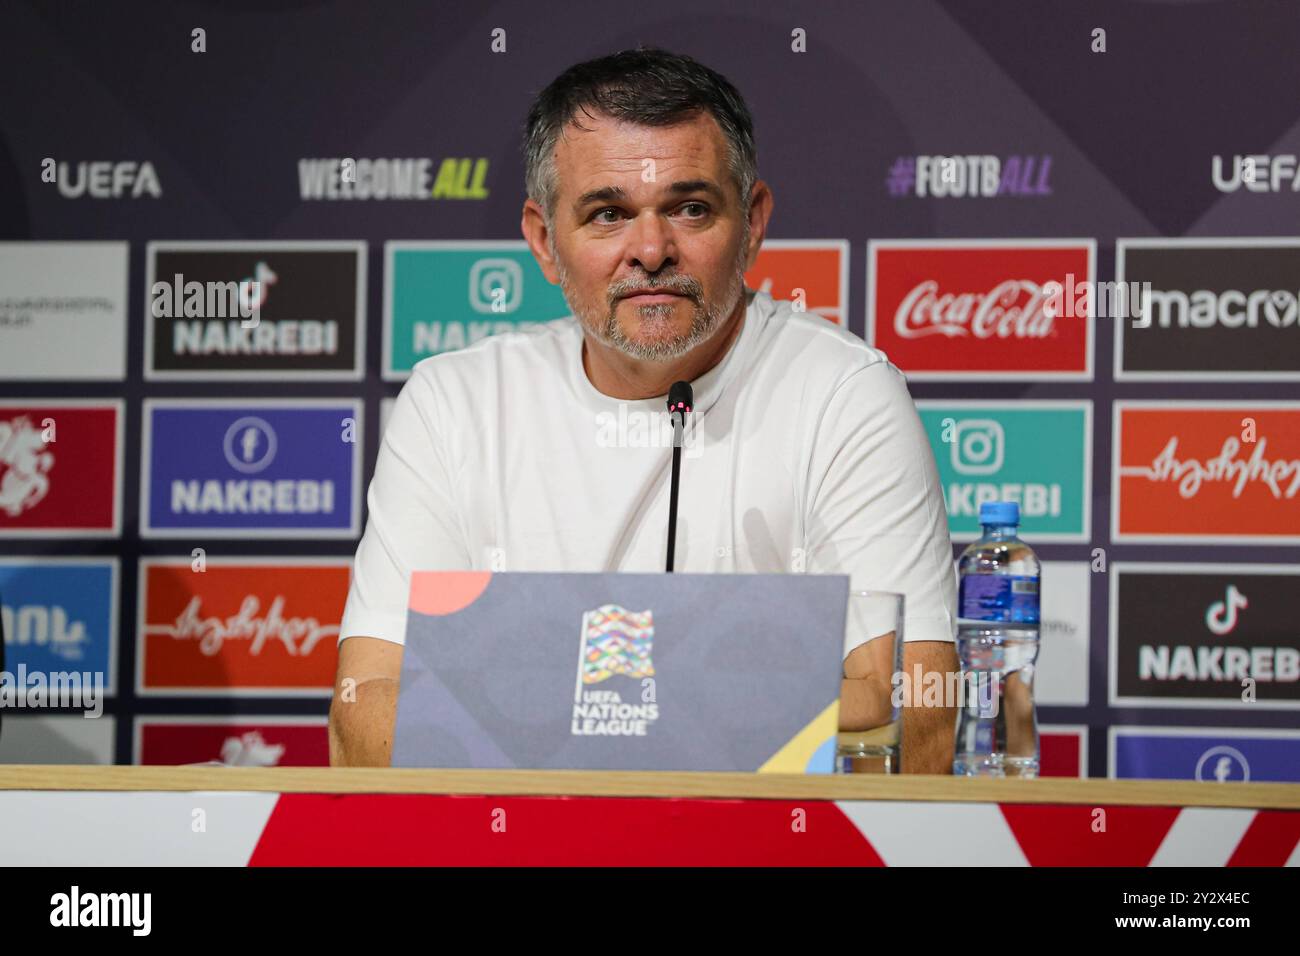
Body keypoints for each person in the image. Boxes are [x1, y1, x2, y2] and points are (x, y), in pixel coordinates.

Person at [330, 47, 958, 771]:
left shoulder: (845, 394)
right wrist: (748, 699)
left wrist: (534, 698)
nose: (652, 250)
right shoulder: (454, 403)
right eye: (608, 214)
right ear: (543, 240)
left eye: (691, 209)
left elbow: (920, 720)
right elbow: (362, 721)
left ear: (752, 221)